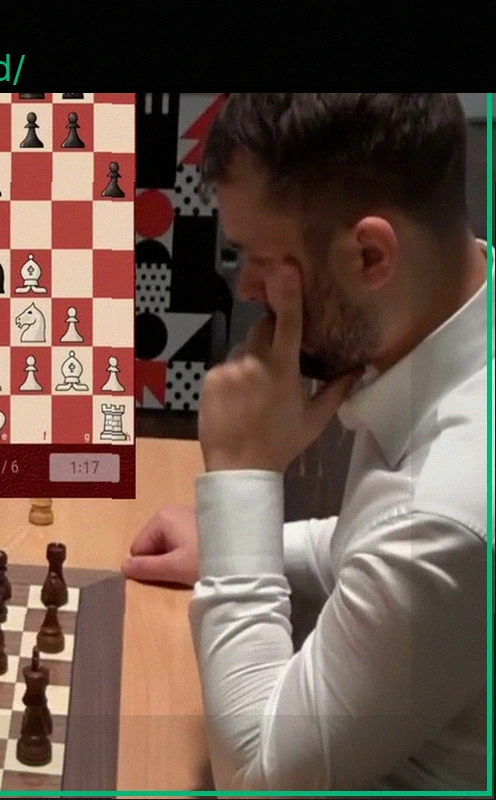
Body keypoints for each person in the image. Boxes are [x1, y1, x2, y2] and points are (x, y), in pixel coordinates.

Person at [122, 94, 488, 791]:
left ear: (371, 256)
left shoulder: (450, 506)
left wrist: (241, 473)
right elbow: (366, 543)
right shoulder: (448, 320)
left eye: (261, 259)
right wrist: (238, 545)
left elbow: (256, 779)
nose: (247, 290)